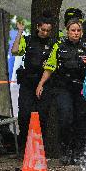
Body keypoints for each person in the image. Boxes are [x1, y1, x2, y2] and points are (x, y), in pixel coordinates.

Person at [36, 18, 86, 165]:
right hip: (63, 88)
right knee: (65, 118)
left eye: (78, 30)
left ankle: (79, 153)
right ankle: (65, 151)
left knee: (82, 121)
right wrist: (40, 84)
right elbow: (50, 67)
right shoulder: (59, 46)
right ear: (67, 31)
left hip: (83, 88)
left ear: (81, 32)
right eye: (73, 30)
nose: (76, 33)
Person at [11, 11, 56, 153]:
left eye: (48, 31)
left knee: (42, 115)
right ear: (37, 27)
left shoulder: (53, 43)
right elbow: (15, 51)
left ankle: (39, 149)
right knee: (24, 115)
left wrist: (41, 84)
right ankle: (23, 147)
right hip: (28, 83)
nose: (45, 33)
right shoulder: (29, 40)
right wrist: (19, 32)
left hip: (44, 83)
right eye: (43, 30)